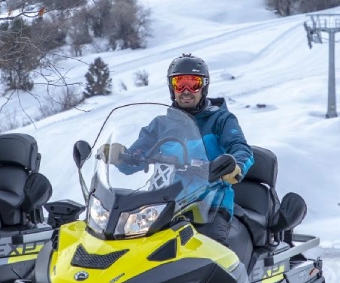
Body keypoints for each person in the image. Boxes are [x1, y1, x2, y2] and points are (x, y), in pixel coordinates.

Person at [104, 54, 255, 265]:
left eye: (194, 84)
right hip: (161, 204)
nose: (186, 90)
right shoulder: (160, 124)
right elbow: (135, 159)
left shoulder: (220, 120)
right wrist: (119, 155)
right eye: (179, 83)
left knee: (210, 259)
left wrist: (235, 166)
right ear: (171, 87)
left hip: (208, 204)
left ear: (204, 87)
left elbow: (241, 148)